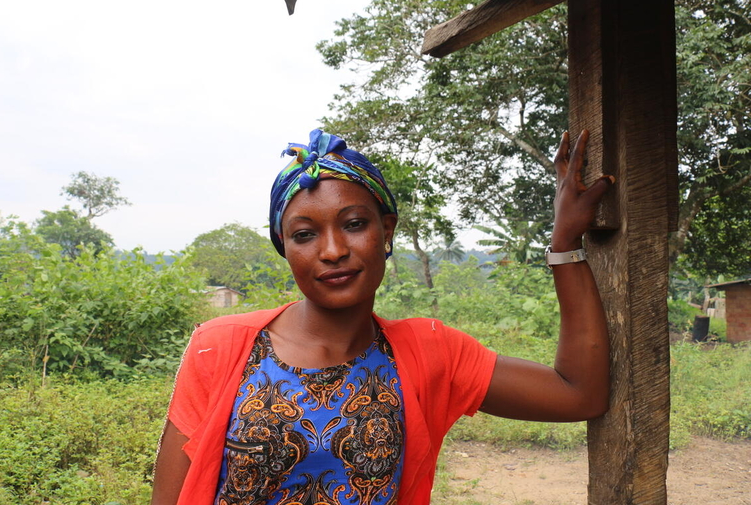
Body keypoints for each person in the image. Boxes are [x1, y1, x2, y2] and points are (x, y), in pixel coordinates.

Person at [151, 128, 613, 505]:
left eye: (354, 224)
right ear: (284, 248)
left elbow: (579, 395)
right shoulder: (222, 346)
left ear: (385, 230)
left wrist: (565, 242)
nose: (332, 251)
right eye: (305, 234)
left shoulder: (430, 353)